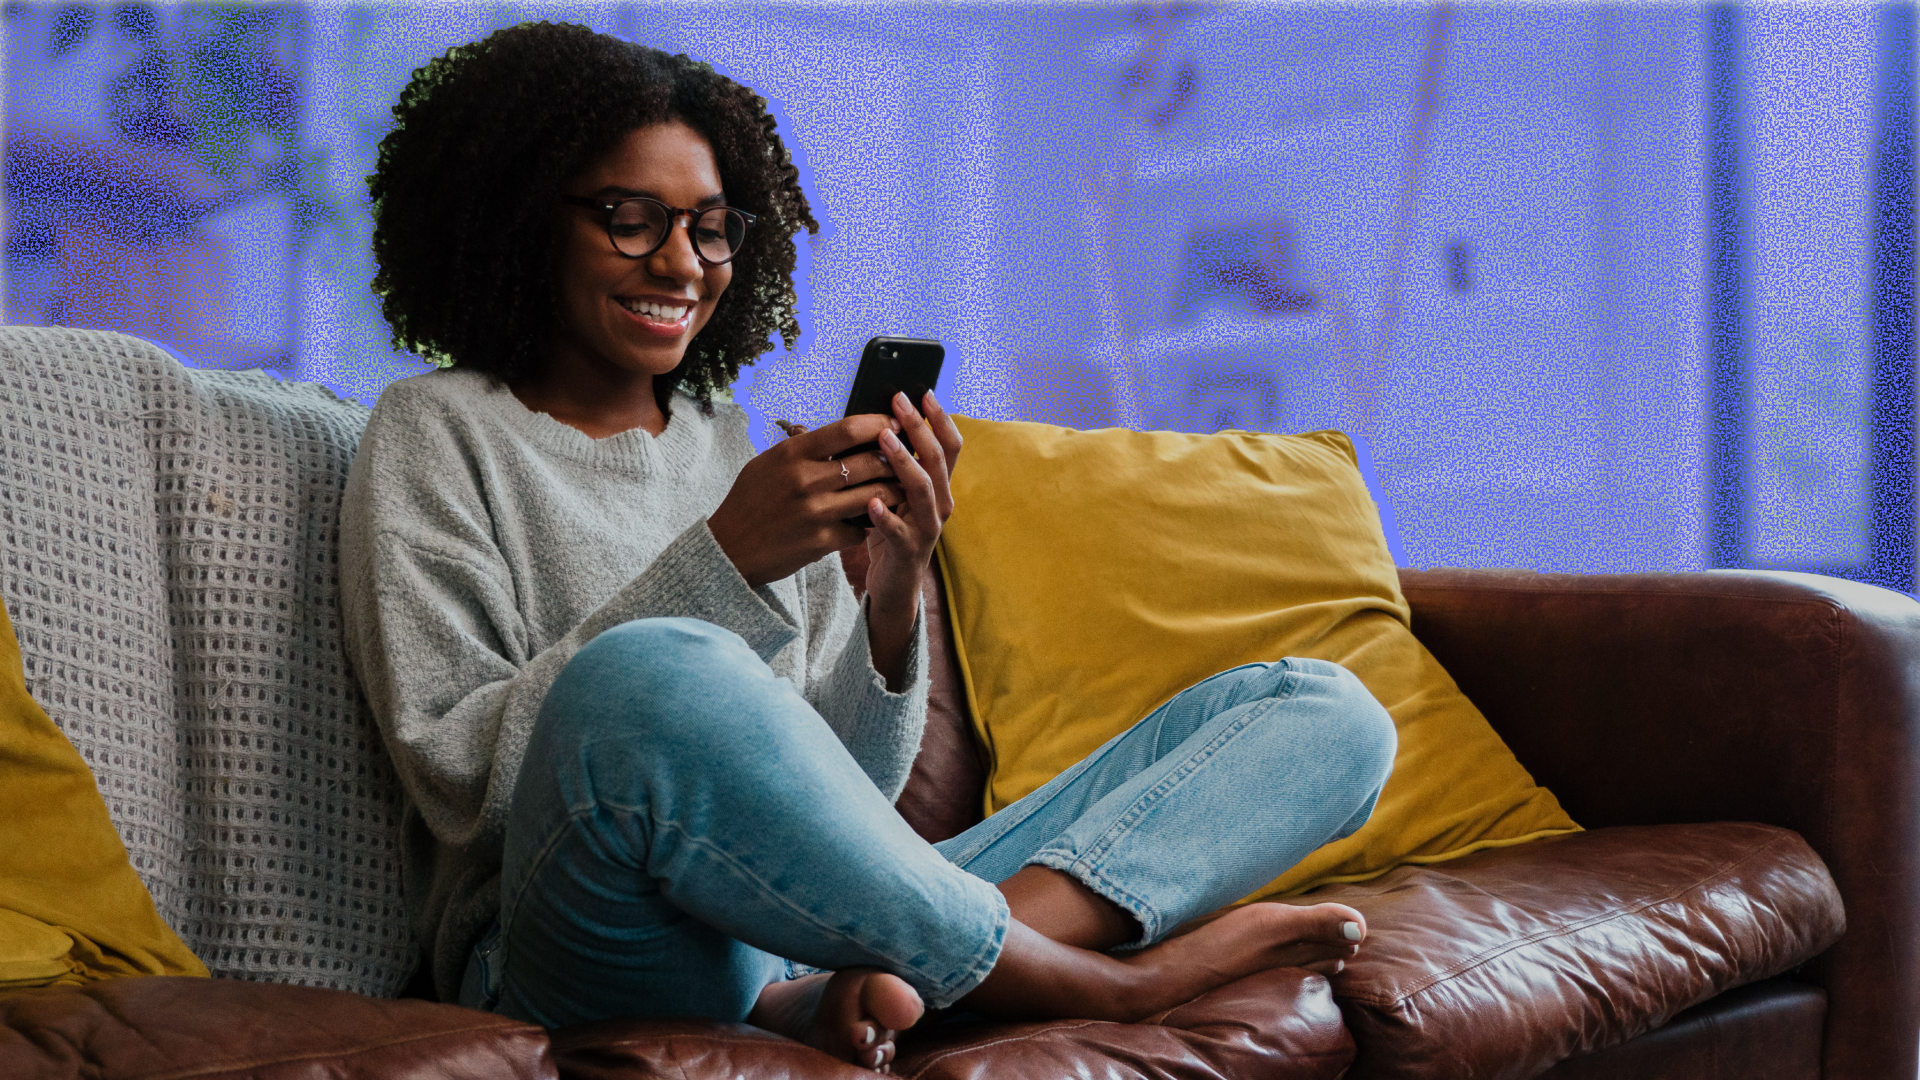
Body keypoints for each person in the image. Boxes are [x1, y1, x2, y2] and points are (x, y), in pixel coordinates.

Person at [340, 21, 1397, 1072]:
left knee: (1328, 715)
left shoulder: (730, 446)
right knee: (653, 669)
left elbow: (845, 797)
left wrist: (893, 600)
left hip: (780, 928)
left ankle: (858, 979)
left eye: (712, 228)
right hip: (576, 937)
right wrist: (722, 563)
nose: (681, 261)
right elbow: (465, 780)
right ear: (525, 220)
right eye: (629, 218)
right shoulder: (436, 432)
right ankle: (1086, 975)